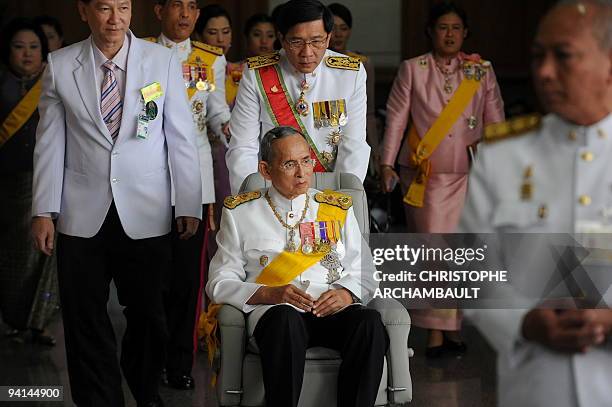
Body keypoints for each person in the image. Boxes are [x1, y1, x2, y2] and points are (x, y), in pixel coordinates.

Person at [31, 0, 203, 406]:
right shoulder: (60, 64)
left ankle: (144, 390)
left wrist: (189, 204)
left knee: (149, 316)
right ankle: (99, 398)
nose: (115, 19)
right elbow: (50, 144)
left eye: (123, 8)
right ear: (84, 11)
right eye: (105, 8)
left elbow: (181, 136)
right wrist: (43, 211)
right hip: (79, 212)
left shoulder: (159, 61)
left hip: (147, 210)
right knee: (84, 318)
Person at [459, 1, 612, 406]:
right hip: (537, 386)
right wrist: (524, 321)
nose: (543, 72)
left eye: (563, 56)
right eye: (537, 56)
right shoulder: (504, 156)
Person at [206, 126, 387, 407]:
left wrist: (346, 295)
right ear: (265, 170)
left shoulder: (336, 209)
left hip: (330, 310)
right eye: (290, 164)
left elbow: (365, 272)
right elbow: (218, 282)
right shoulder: (240, 213)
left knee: (369, 323)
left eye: (306, 161)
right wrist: (269, 294)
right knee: (285, 321)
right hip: (275, 315)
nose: (302, 173)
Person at [379, 1, 505, 356]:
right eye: (442, 27)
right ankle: (435, 332)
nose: (448, 34)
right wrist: (386, 163)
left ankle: (453, 328)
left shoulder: (480, 70)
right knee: (434, 251)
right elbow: (397, 119)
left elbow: (495, 121)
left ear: (465, 33)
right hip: (426, 175)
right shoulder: (413, 69)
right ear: (430, 31)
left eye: (455, 28)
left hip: (469, 173)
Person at [148, 0, 227, 391]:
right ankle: (149, 359)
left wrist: (232, 127)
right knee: (149, 278)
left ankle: (179, 363)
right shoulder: (141, 52)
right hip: (146, 179)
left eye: (192, 6)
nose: (185, 14)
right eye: (176, 5)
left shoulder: (209, 59)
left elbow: (215, 114)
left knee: (185, 280)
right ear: (158, 9)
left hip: (193, 182)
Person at [226, 0, 370, 194]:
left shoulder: (350, 74)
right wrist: (252, 201)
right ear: (282, 39)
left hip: (329, 189)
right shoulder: (257, 74)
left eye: (317, 41)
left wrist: (342, 199)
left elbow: (354, 145)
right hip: (273, 190)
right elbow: (243, 146)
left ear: (328, 38)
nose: (307, 52)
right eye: (296, 42)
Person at [0, 18, 58, 347]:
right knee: (13, 257)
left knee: (45, 255)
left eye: (34, 47)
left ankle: (39, 321)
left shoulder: (54, 80)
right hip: (7, 184)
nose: (26, 54)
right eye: (19, 47)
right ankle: (14, 319)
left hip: (45, 182)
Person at [328, 3, 379, 174]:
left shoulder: (361, 63)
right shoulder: (312, 61)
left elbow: (369, 113)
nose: (338, 34)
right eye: (333, 28)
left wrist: (376, 151)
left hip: (353, 133)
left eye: (344, 28)